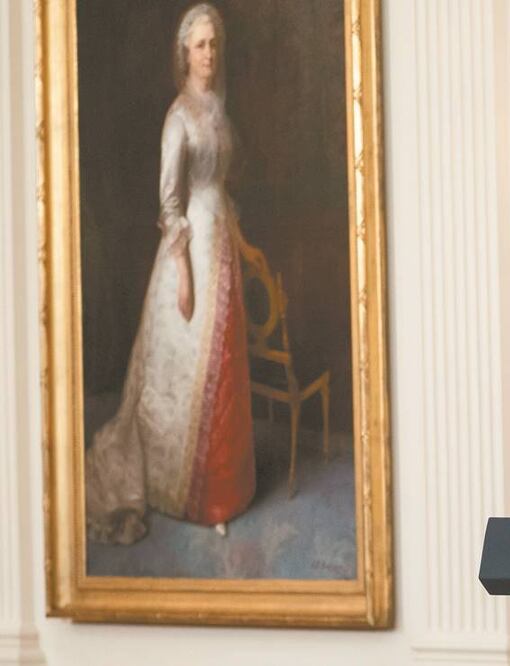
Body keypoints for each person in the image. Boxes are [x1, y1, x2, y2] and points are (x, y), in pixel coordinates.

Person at [84, 3, 255, 545]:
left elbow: (222, 183)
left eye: (213, 45)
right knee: (183, 376)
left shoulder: (219, 112)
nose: (208, 54)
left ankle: (222, 493)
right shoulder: (179, 115)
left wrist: (231, 231)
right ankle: (183, 491)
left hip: (221, 242)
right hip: (191, 255)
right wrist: (183, 272)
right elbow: (169, 199)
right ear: (183, 53)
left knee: (223, 371)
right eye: (199, 45)